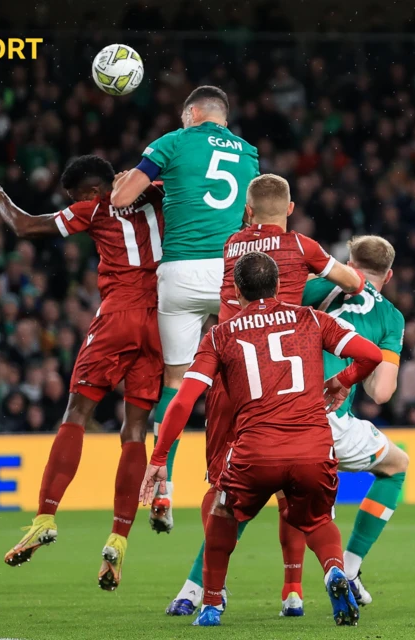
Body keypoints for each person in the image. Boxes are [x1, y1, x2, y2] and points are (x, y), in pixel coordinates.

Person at [141, 252, 383, 627]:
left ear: (236, 291)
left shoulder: (220, 335)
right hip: (312, 447)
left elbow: (184, 399)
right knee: (317, 520)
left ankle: (210, 604)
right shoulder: (311, 318)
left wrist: (158, 458)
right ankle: (334, 571)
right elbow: (370, 354)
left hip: (257, 451)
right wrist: (343, 380)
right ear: (279, 286)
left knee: (223, 512)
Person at [166, 173, 366, 615]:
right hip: (287, 367)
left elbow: (249, 280)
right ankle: (293, 590)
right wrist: (326, 277)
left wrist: (159, 460)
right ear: (291, 209)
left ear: (247, 210)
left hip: (230, 369)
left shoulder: (232, 244)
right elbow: (353, 282)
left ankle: (201, 592)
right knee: (295, 488)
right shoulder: (301, 247)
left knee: (222, 488)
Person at [0, 155, 164, 591]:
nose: (75, 203)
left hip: (118, 315)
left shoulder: (94, 208)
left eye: (75, 196)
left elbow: (23, 226)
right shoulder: (158, 194)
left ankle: (45, 517)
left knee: (76, 413)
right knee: (135, 431)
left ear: (88, 193)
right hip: (162, 320)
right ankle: (118, 539)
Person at [111, 85, 259, 533]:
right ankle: (230, 478)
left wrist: (135, 180)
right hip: (228, 274)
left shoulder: (171, 142)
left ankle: (163, 486)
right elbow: (249, 216)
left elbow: (121, 200)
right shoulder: (249, 153)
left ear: (193, 113)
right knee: (235, 379)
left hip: (178, 273)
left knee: (176, 382)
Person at [283, 235, 408, 609]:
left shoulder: (312, 286)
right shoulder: (390, 315)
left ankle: (198, 591)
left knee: (243, 501)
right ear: (388, 276)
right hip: (327, 419)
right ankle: (349, 568)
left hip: (273, 411)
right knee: (396, 466)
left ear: (348, 261)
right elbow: (382, 392)